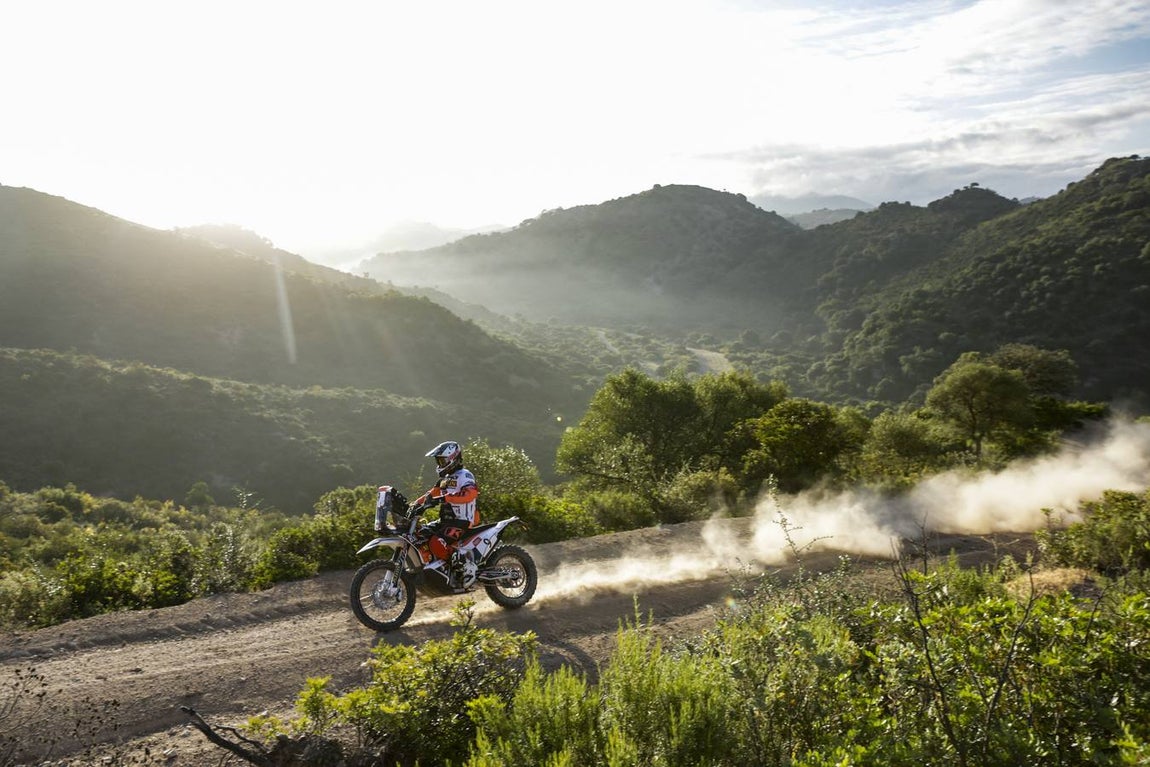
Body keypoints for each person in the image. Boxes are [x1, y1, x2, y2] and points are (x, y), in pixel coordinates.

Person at [420, 440, 480, 589]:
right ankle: (441, 571)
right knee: (421, 534)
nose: (439, 464)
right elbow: (430, 494)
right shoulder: (445, 480)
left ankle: (464, 567)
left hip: (462, 521)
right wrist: (414, 505)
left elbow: (471, 494)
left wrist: (446, 497)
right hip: (446, 521)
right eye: (438, 461)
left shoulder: (465, 475)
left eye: (442, 460)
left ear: (452, 458)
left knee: (436, 542)